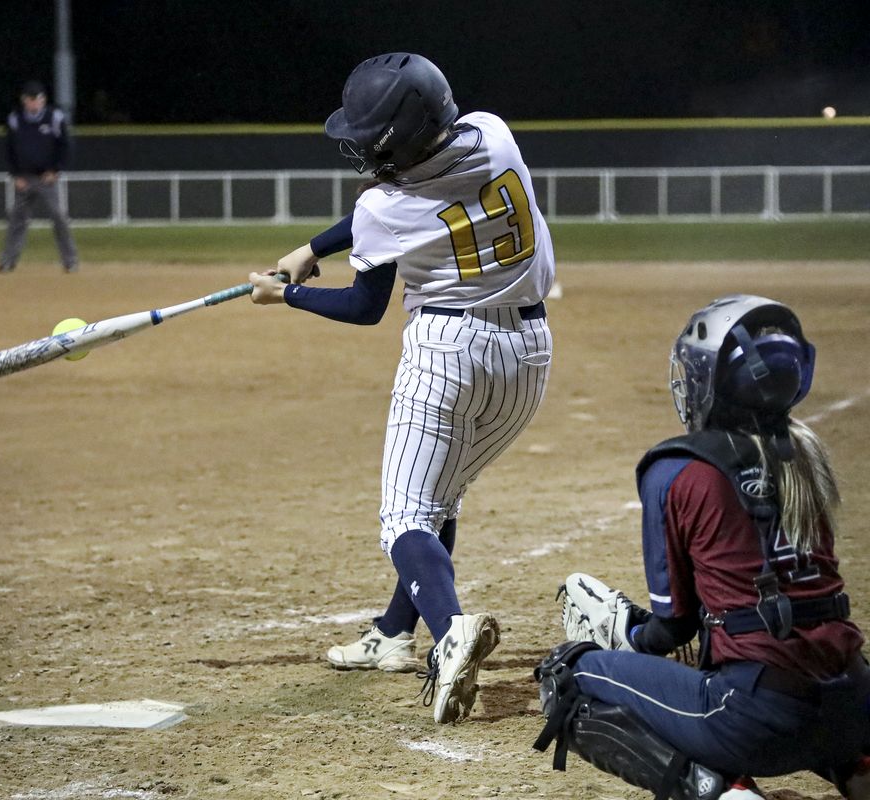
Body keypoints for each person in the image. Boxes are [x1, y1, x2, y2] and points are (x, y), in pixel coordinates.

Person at [247, 52, 556, 724]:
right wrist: (315, 246)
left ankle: (451, 636)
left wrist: (289, 294)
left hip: (448, 352)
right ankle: (393, 635)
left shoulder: (384, 208)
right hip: (528, 355)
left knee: (406, 518)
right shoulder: (492, 131)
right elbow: (373, 219)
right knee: (441, 498)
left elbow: (364, 306)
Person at [534, 295, 869, 800]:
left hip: (759, 717)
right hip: (856, 700)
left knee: (568, 675)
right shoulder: (808, 452)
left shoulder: (677, 470)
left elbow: (675, 627)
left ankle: (726, 794)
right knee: (818, 693)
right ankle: (861, 770)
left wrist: (627, 634)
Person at [0, 80, 78, 273]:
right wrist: (15, 175)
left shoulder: (54, 118)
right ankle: (8, 261)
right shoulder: (15, 119)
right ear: (24, 101)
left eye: (38, 99)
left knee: (59, 218)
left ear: (43, 100)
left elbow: (65, 146)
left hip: (46, 178)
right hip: (24, 178)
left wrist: (55, 170)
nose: (35, 103)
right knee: (17, 220)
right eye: (31, 100)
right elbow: (9, 149)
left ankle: (70, 261)